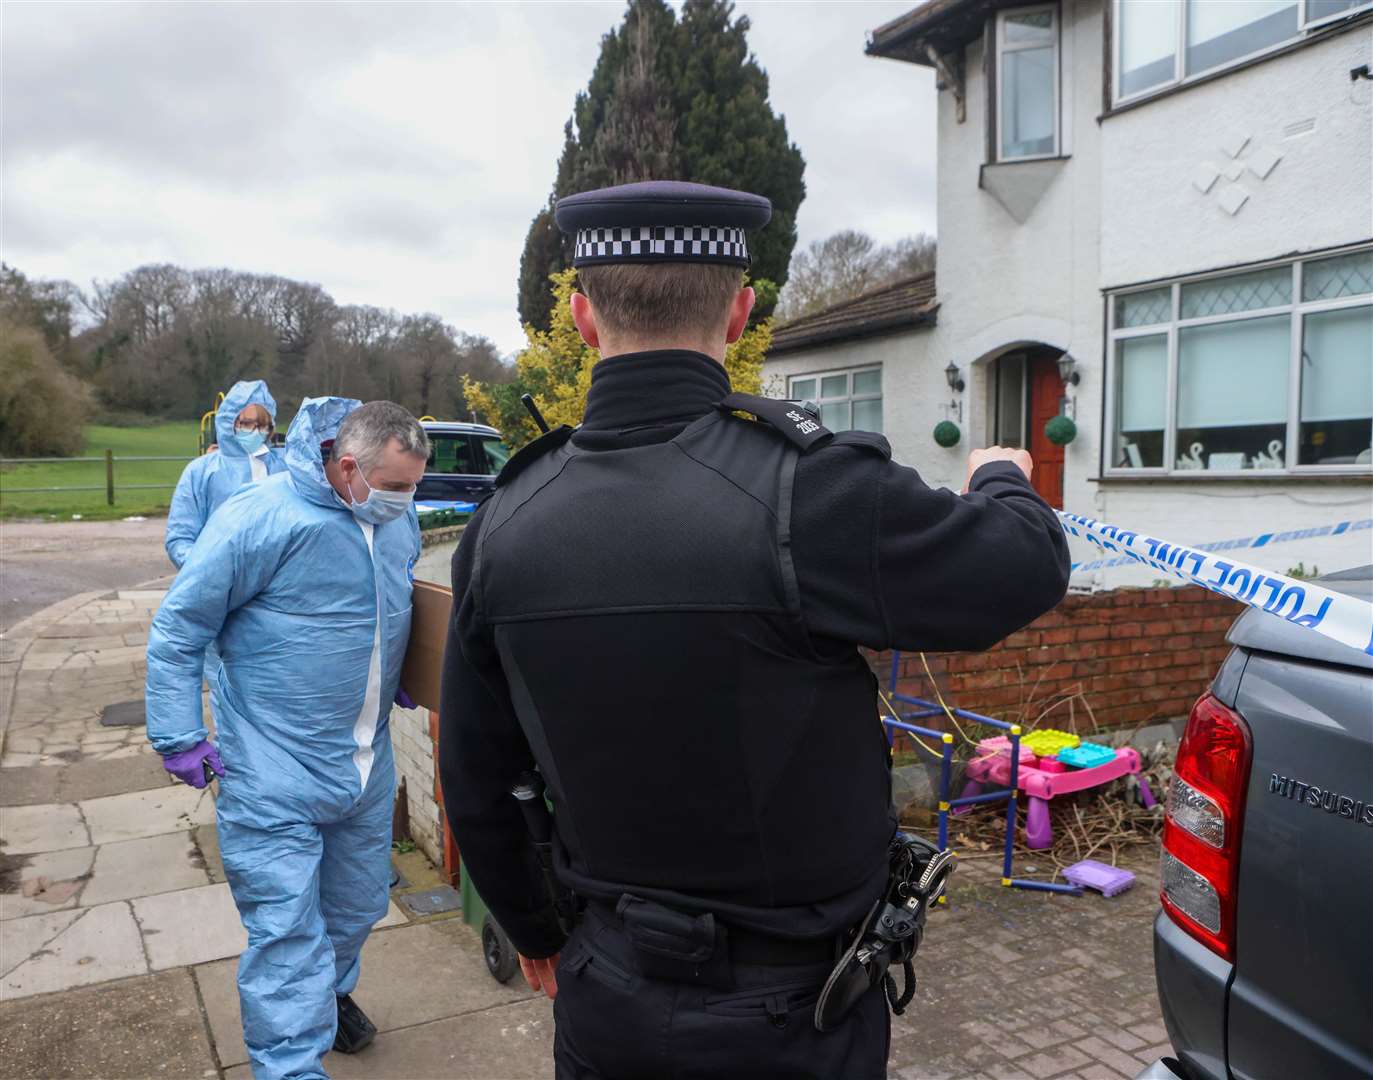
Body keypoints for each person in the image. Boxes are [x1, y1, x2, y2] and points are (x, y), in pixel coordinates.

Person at [438, 180, 1071, 1079]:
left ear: (582, 319)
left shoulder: (504, 518)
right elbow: (1021, 567)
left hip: (604, 991)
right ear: (738, 314)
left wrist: (534, 928)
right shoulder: (806, 492)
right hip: (790, 1017)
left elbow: (477, 769)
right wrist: (1003, 476)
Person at [145, 397, 428, 1080]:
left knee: (356, 905)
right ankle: (289, 1064)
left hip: (363, 761)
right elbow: (180, 629)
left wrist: (396, 673)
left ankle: (323, 999)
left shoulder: (393, 518)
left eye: (414, 486)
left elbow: (390, 604)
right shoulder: (258, 517)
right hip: (271, 763)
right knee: (285, 929)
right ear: (347, 463)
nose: (405, 500)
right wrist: (179, 733)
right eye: (394, 487)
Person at [166, 379, 287, 568]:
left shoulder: (286, 467)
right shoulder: (201, 471)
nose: (256, 432)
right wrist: (208, 570)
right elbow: (181, 537)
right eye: (247, 423)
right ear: (228, 422)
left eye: (263, 425)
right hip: (216, 586)